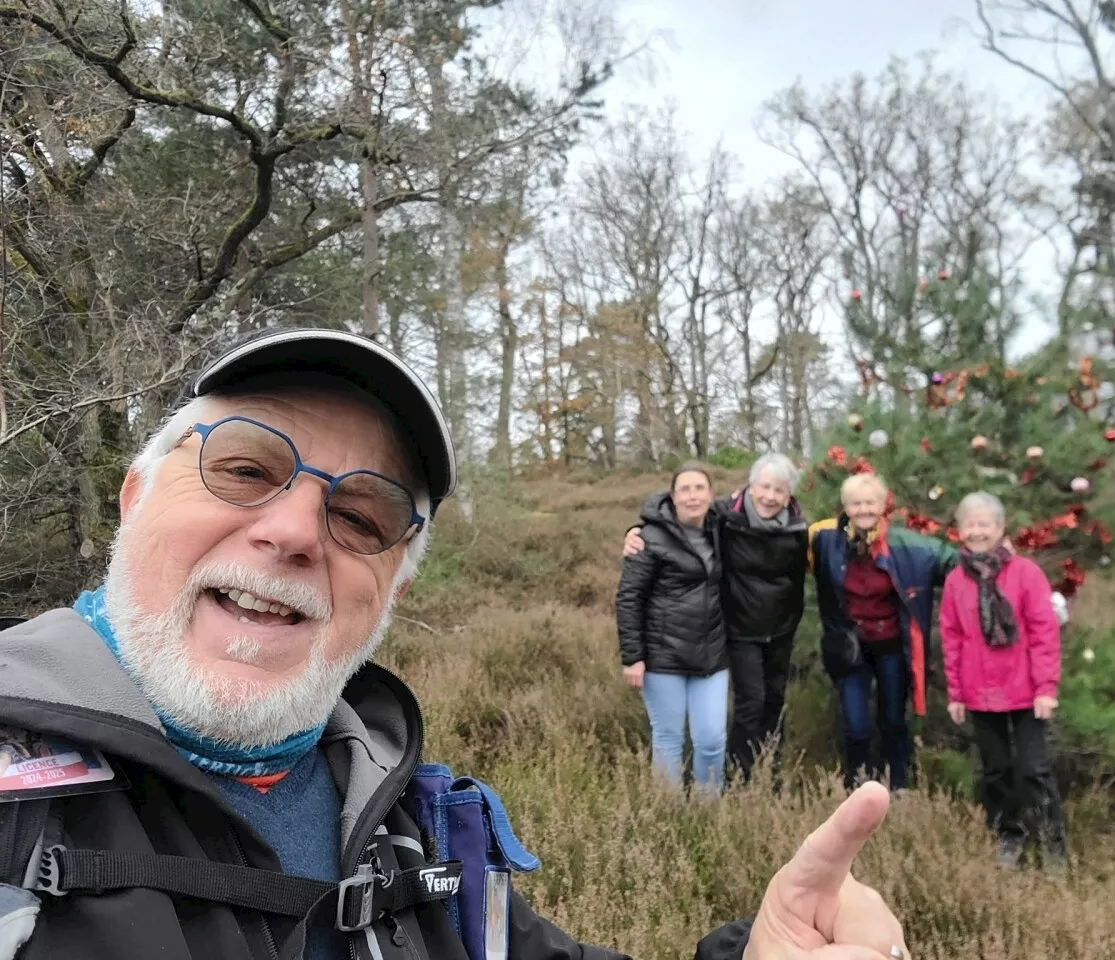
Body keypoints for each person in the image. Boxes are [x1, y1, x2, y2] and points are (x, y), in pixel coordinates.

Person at [0, 327, 912, 960]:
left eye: (362, 515)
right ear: (132, 498)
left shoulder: (417, 828)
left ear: (394, 585)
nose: (292, 531)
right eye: (242, 469)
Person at [623, 453, 809, 785]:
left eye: (778, 490)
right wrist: (635, 530)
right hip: (699, 642)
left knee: (742, 722)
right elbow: (631, 593)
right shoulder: (702, 523)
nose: (769, 496)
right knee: (686, 731)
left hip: (746, 641)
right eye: (763, 486)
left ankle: (742, 789)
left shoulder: (749, 525)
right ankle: (698, 798)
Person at [939, 491, 1068, 873]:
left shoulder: (1026, 573)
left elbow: (1045, 632)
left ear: (999, 528)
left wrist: (1046, 688)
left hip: (1027, 693)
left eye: (984, 525)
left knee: (1033, 771)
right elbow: (952, 637)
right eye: (969, 525)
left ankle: (1053, 847)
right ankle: (1007, 837)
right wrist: (956, 693)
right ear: (959, 530)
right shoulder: (955, 581)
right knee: (995, 772)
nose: (976, 532)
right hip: (979, 694)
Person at [809, 472, 957, 793]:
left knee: (893, 720)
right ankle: (856, 785)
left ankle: (898, 784)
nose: (863, 509)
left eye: (870, 502)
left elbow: (953, 561)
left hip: (892, 646)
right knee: (856, 724)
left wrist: (993, 556)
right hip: (849, 647)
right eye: (855, 503)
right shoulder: (825, 541)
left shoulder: (907, 545)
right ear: (845, 506)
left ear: (883, 505)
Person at [615, 464, 730, 794]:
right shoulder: (648, 539)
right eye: (685, 489)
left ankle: (709, 810)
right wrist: (632, 657)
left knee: (711, 739)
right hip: (663, 656)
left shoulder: (721, 527)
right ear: (673, 495)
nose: (693, 496)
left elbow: (755, 502)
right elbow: (629, 597)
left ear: (711, 494)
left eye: (699, 488)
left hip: (712, 654)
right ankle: (668, 813)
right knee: (668, 738)